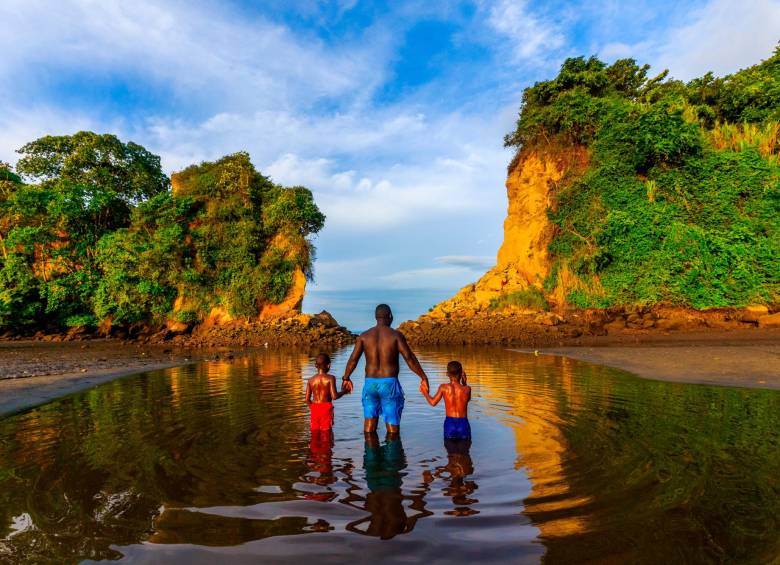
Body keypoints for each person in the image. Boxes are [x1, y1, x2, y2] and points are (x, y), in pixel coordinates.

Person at [341, 304, 430, 435]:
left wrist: (346, 377)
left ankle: (370, 452)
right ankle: (393, 453)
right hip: (389, 384)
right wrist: (423, 377)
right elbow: (409, 358)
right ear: (390, 317)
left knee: (369, 424)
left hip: (370, 383)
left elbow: (353, 359)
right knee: (392, 427)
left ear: (375, 317)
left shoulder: (364, 336)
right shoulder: (395, 336)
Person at [420, 360, 472, 440]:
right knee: (465, 451)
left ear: (447, 374)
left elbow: (433, 402)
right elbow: (466, 401)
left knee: (450, 450)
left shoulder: (443, 387)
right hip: (463, 424)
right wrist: (464, 383)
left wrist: (424, 392)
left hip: (449, 424)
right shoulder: (467, 389)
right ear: (461, 373)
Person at [305, 353, 348, 433]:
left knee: (315, 432)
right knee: (326, 433)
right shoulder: (330, 378)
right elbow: (334, 396)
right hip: (326, 408)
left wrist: (313, 408)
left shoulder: (310, 380)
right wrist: (344, 391)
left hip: (314, 408)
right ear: (328, 366)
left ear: (315, 365)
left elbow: (307, 399)